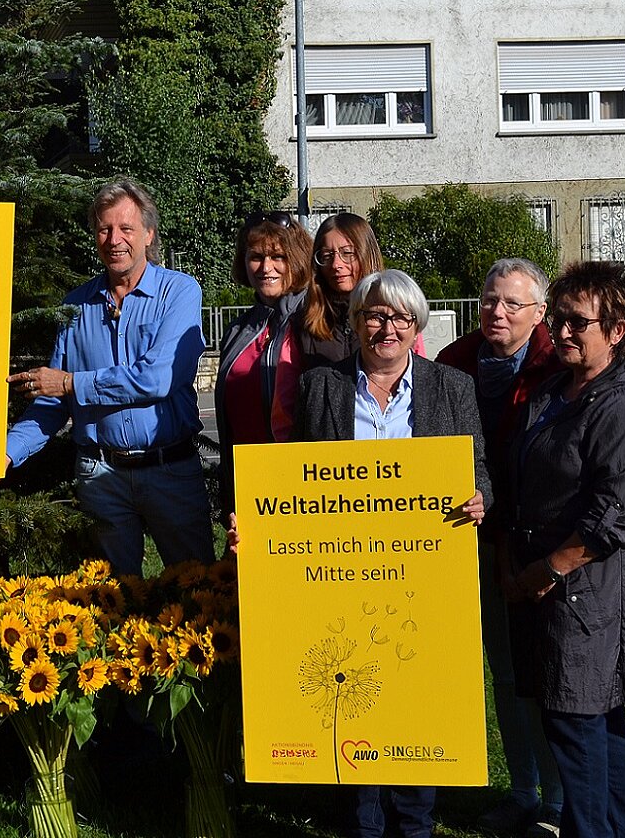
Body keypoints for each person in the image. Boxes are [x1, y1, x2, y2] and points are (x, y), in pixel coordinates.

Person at [290, 268, 488, 838]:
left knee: (415, 691)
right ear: (354, 323)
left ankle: (415, 819)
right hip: (345, 570)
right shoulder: (319, 387)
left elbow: (478, 473)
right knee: (352, 687)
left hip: (424, 571)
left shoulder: (451, 388)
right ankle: (363, 818)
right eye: (374, 315)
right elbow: (297, 478)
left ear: (416, 325)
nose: (387, 328)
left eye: (400, 317)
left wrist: (480, 500)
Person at [0, 179, 214, 576]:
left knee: (194, 590)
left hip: (171, 471)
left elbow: (156, 379)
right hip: (101, 477)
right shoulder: (75, 306)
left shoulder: (179, 292)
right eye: (104, 229)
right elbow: (50, 405)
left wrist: (70, 383)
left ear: (149, 234)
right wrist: (4, 453)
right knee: (110, 598)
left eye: (126, 229)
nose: (115, 239)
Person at [502, 261, 625, 838]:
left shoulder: (620, 405)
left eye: (578, 324)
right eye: (560, 320)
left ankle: (590, 831)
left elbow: (618, 514)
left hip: (588, 589)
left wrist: (546, 570)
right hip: (550, 581)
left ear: (616, 331)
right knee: (596, 719)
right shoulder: (556, 388)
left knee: (575, 720)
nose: (563, 333)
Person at [436, 259, 565, 837]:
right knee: (506, 673)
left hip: (542, 543)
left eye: (514, 304)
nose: (498, 312)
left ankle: (561, 802)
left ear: (539, 314)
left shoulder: (557, 363)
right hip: (473, 539)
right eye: (490, 300)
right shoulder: (453, 362)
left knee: (549, 674)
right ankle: (523, 790)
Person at [214, 211, 317, 527]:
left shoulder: (315, 322)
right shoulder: (237, 330)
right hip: (249, 484)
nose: (265, 267)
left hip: (303, 486)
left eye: (277, 257)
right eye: (256, 256)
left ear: (296, 259)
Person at [304, 212, 384, 366]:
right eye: (327, 256)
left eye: (347, 253)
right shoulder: (303, 324)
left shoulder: (399, 317)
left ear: (367, 254)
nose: (336, 264)